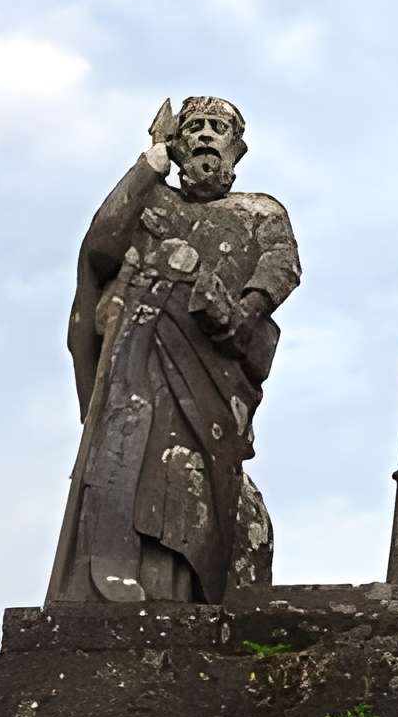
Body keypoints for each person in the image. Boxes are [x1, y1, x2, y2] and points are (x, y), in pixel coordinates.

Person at [51, 98, 299, 605]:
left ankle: (177, 594)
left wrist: (239, 314)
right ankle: (109, 587)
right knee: (129, 461)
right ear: (179, 144)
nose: (206, 135)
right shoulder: (153, 203)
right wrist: (149, 166)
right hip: (136, 369)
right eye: (194, 128)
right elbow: (100, 248)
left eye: (219, 127)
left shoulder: (260, 211)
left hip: (213, 368)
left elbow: (282, 266)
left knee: (187, 476)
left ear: (238, 146)